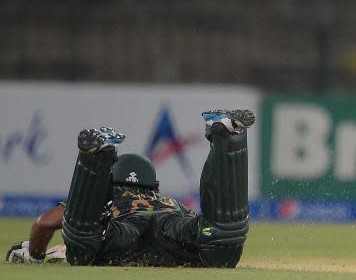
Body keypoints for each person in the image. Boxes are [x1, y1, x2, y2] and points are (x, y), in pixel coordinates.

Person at [8, 109, 254, 267]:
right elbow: (204, 230)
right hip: (171, 232)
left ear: (110, 182)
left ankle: (96, 157)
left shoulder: (109, 197)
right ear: (154, 186)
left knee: (82, 244)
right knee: (220, 236)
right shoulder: (167, 201)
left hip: (120, 235)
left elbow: (45, 223)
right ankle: (226, 136)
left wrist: (36, 253)